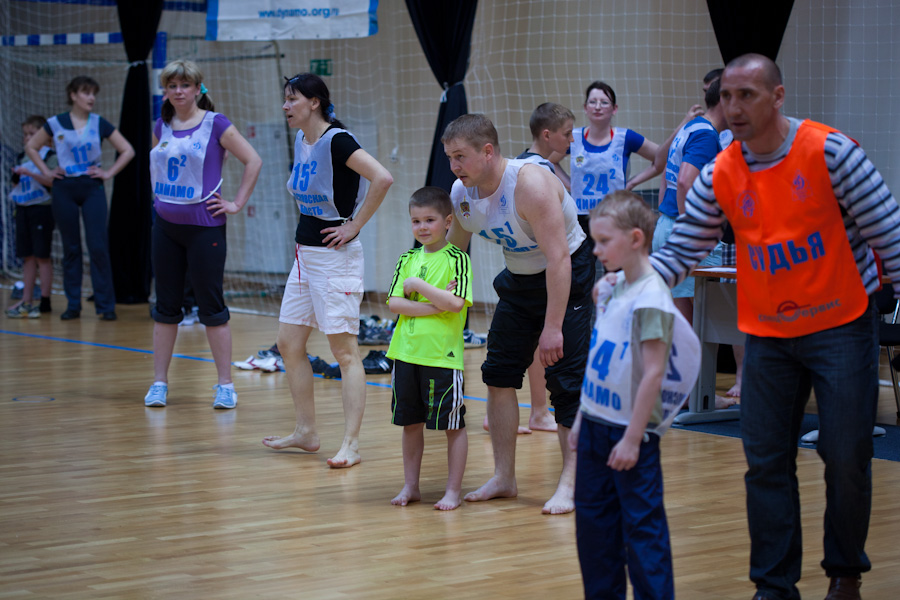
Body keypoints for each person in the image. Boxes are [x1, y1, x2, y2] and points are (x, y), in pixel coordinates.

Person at [650, 53, 900, 600]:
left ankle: (845, 574)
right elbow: (684, 245)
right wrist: (630, 286)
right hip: (767, 332)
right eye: (726, 97)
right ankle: (773, 585)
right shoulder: (722, 171)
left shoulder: (831, 152)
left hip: (841, 325)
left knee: (846, 455)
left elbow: (890, 233)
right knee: (765, 462)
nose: (734, 107)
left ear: (778, 97)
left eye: (747, 95)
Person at [443, 113, 594, 514]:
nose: (454, 166)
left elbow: (560, 259)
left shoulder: (530, 185)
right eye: (450, 158)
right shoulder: (462, 192)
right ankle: (504, 477)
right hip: (520, 279)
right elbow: (456, 251)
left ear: (487, 152)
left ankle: (572, 483)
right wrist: (440, 299)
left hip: (567, 275)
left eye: (460, 156)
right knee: (497, 373)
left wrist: (553, 327)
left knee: (566, 382)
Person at [571, 190, 699, 600]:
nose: (596, 251)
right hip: (595, 424)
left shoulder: (652, 298)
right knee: (594, 529)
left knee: (642, 530)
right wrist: (581, 418)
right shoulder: (613, 288)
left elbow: (654, 372)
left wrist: (632, 438)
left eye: (604, 241)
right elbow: (599, 358)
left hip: (628, 433)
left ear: (636, 239)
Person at [262, 73, 393, 468]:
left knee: (344, 353)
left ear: (314, 102)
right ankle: (306, 432)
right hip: (305, 257)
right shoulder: (302, 140)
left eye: (292, 99)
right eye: (285, 99)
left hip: (336, 259)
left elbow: (383, 177)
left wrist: (354, 225)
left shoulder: (338, 140)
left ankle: (351, 444)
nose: (285, 106)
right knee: (289, 344)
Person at [143, 60, 262, 409]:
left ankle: (225, 385)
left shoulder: (216, 123)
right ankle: (159, 383)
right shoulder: (161, 125)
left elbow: (253, 160)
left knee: (211, 306)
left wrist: (236, 203)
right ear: (165, 91)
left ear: (197, 89)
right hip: (165, 227)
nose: (178, 91)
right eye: (172, 86)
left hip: (204, 228)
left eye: (185, 85)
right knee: (165, 307)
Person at [386, 186, 472, 510]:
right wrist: (437, 303)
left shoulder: (458, 260)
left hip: (442, 358)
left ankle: (453, 491)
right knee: (410, 424)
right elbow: (395, 304)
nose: (422, 227)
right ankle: (411, 486)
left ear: (447, 222)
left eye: (429, 220)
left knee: (453, 425)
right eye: (416, 221)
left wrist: (418, 287)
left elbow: (456, 303)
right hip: (405, 354)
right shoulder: (406, 259)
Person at [25, 75, 135, 321]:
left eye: (93, 93)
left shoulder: (99, 122)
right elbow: (31, 147)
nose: (91, 97)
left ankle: (106, 306)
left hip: (92, 187)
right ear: (73, 95)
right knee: (71, 248)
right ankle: (73, 304)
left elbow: (128, 150)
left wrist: (108, 173)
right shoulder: (56, 123)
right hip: (64, 188)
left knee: (98, 247)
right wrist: (46, 172)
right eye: (86, 92)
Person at [505, 101, 578, 434]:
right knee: (538, 339)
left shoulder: (530, 166)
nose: (572, 140)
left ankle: (536, 410)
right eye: (567, 133)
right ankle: (537, 410)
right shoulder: (535, 173)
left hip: (530, 266)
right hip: (538, 268)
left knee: (531, 341)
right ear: (547, 135)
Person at [653, 78, 728, 326]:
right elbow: (685, 181)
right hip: (684, 231)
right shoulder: (707, 136)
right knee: (704, 328)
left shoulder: (692, 126)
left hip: (668, 225)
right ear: (725, 101)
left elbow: (666, 177)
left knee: (683, 322)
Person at [570, 81, 662, 231]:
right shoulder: (573, 137)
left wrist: (632, 183)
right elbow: (550, 159)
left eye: (604, 102)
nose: (598, 107)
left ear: (615, 109)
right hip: (581, 217)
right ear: (585, 108)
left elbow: (662, 158)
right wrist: (570, 184)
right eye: (592, 102)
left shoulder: (626, 137)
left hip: (616, 216)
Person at [7, 116, 56, 319]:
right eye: (25, 134)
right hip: (23, 209)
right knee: (27, 256)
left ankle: (45, 301)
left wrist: (31, 173)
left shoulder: (50, 156)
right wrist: (17, 175)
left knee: (42, 256)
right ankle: (26, 300)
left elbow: (52, 182)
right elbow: (15, 185)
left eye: (32, 134)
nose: (27, 138)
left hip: (42, 210)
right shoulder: (21, 157)